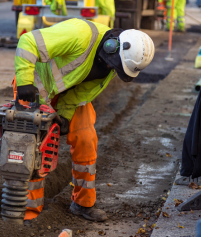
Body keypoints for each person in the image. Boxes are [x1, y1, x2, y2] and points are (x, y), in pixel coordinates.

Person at [14, 19, 155, 222]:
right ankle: (28, 211)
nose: (110, 67)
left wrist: (65, 115)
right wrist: (25, 82)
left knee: (86, 139)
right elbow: (27, 42)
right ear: (111, 46)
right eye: (113, 63)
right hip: (34, 88)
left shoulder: (111, 65)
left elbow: (81, 92)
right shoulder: (79, 34)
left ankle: (83, 204)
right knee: (35, 147)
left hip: (65, 97)